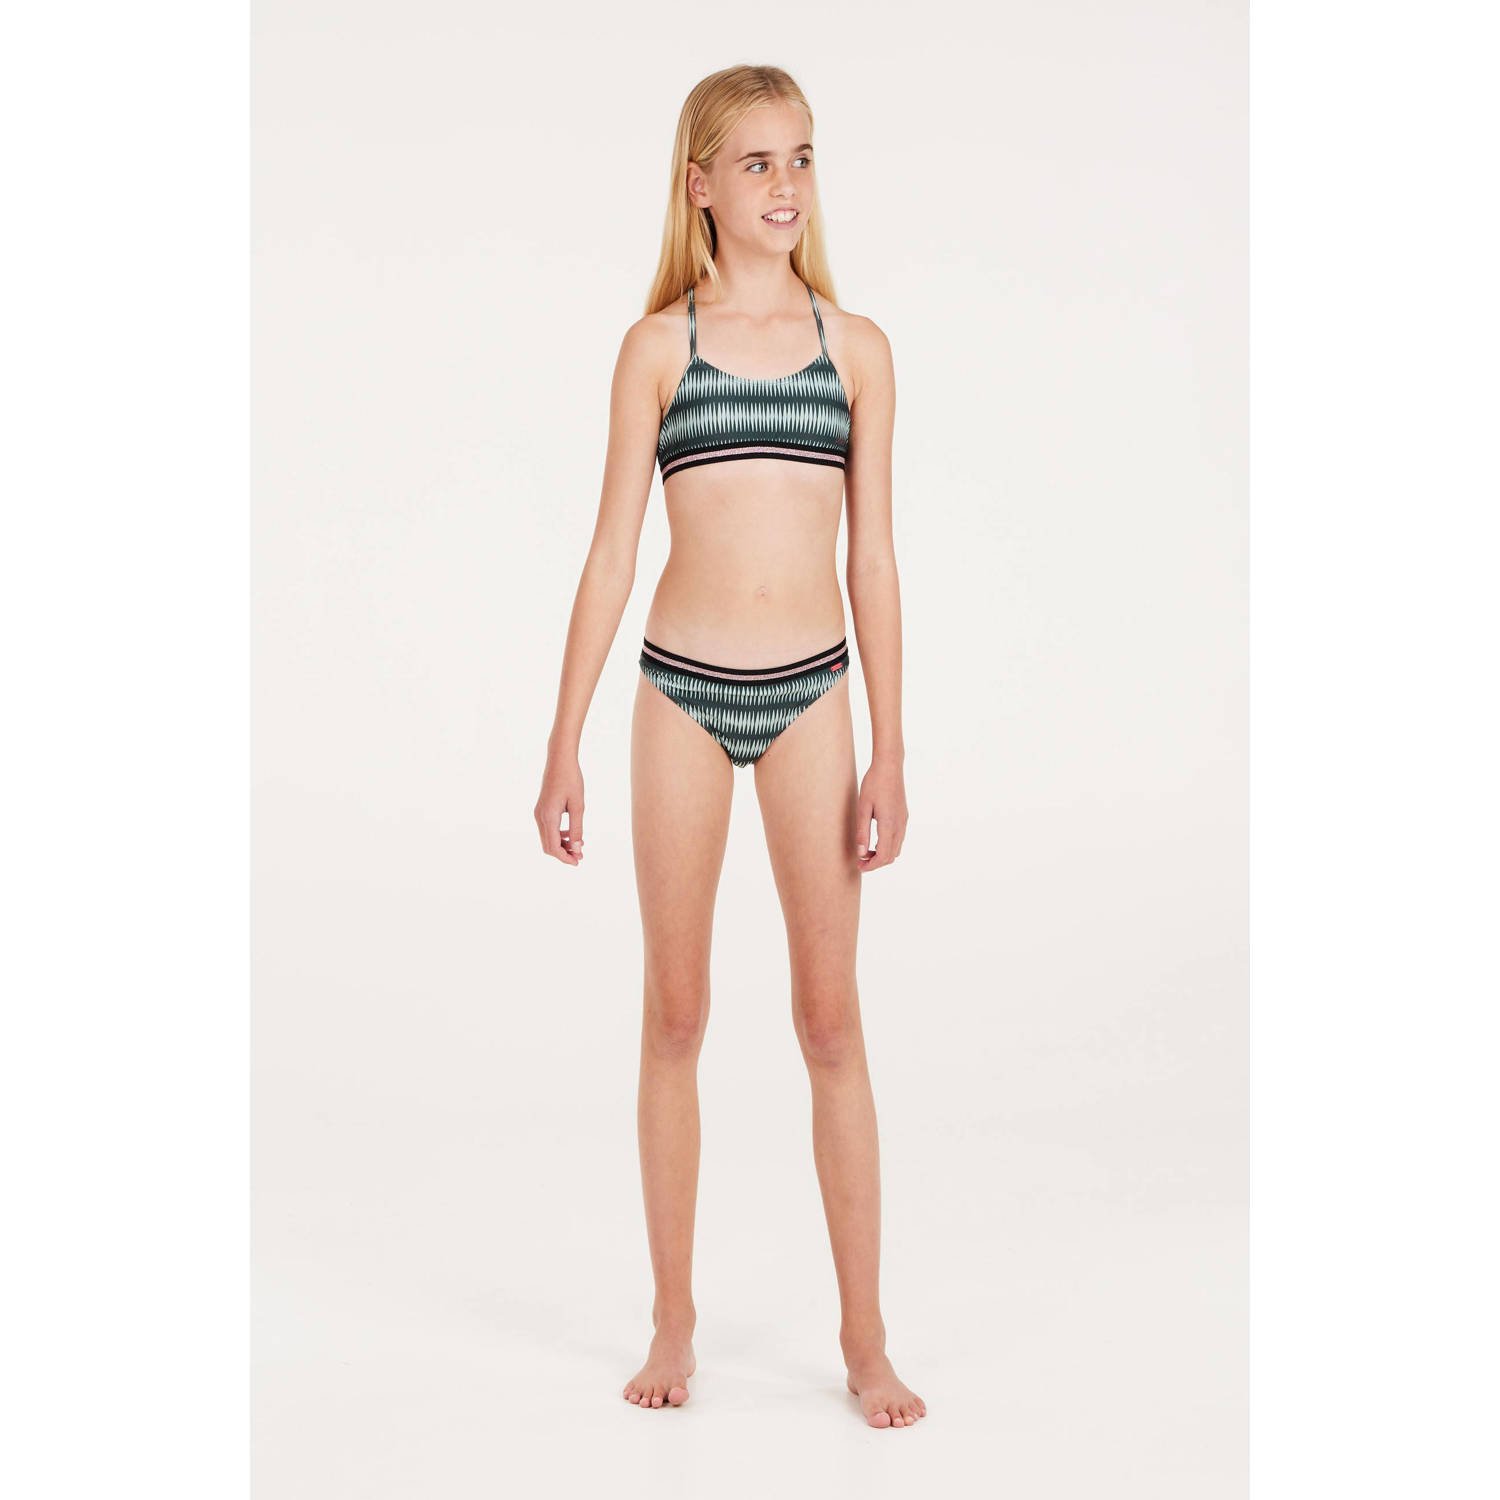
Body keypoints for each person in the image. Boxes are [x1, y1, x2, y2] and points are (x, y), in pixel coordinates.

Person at [534, 64, 923, 1430]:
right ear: (699, 183)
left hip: (813, 698)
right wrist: (563, 741)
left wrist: (890, 748)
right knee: (678, 1013)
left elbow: (874, 559)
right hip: (679, 699)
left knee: (831, 1020)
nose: (785, 184)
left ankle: (865, 1337)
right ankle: (674, 1317)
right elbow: (608, 555)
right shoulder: (659, 349)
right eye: (757, 162)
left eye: (801, 158)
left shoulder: (856, 349)